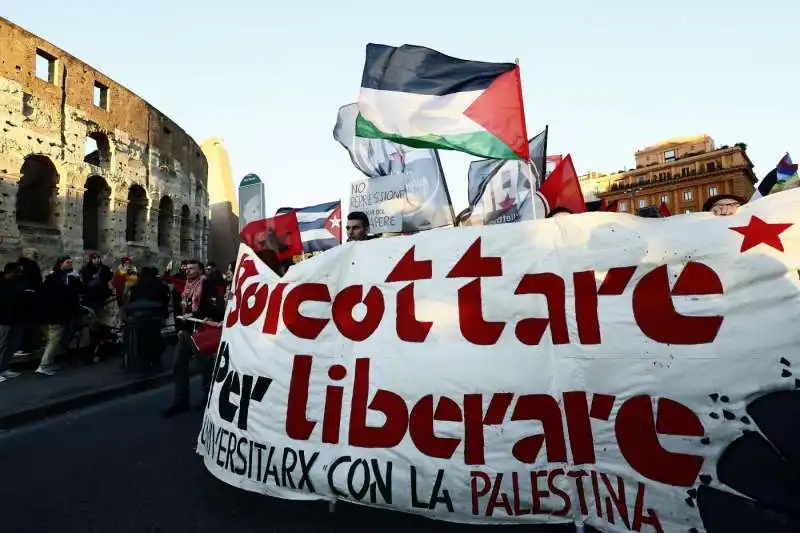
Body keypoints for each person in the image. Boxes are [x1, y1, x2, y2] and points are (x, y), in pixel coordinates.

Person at [162, 259, 225, 417]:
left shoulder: (207, 285)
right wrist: (180, 325)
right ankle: (181, 401)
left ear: (201, 270)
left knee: (205, 368)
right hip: (185, 330)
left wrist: (197, 315)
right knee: (179, 365)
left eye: (192, 268)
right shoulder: (185, 286)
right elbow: (181, 306)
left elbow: (214, 309)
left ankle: (209, 400)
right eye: (187, 268)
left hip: (201, 331)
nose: (188, 271)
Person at [37, 256, 83, 376]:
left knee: (53, 340)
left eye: (71, 262)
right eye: (68, 262)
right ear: (61, 263)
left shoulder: (63, 277)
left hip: (55, 313)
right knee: (54, 341)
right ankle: (44, 364)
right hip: (55, 314)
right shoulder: (58, 278)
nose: (70, 264)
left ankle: (49, 362)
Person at [0, 263, 26, 382]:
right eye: (16, 272)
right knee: (2, 345)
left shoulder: (17, 284)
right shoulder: (2, 284)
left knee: (12, 345)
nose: (19, 275)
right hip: (3, 318)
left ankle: (4, 368)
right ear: (9, 272)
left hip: (16, 318)